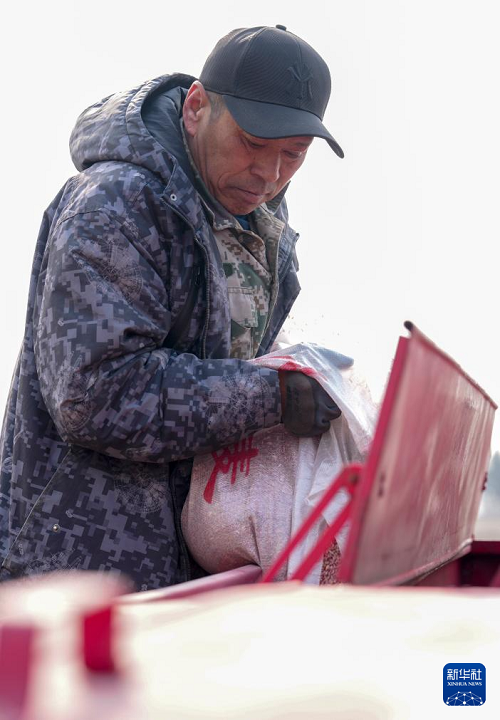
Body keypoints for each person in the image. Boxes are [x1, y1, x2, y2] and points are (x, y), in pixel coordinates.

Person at [0, 25, 344, 590]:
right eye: (252, 142)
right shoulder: (114, 205)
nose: (270, 173)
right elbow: (95, 395)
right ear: (196, 107)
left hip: (190, 574)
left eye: (293, 153)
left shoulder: (259, 219)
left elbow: (223, 361)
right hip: (79, 575)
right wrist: (273, 396)